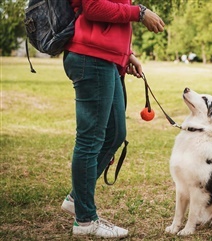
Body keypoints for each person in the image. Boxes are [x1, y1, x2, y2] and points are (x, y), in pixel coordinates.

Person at [61, 0, 165, 238]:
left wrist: (126, 54)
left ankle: (76, 198)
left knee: (116, 133)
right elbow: (94, 7)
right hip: (91, 56)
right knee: (90, 139)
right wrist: (139, 12)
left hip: (107, 58)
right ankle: (85, 220)